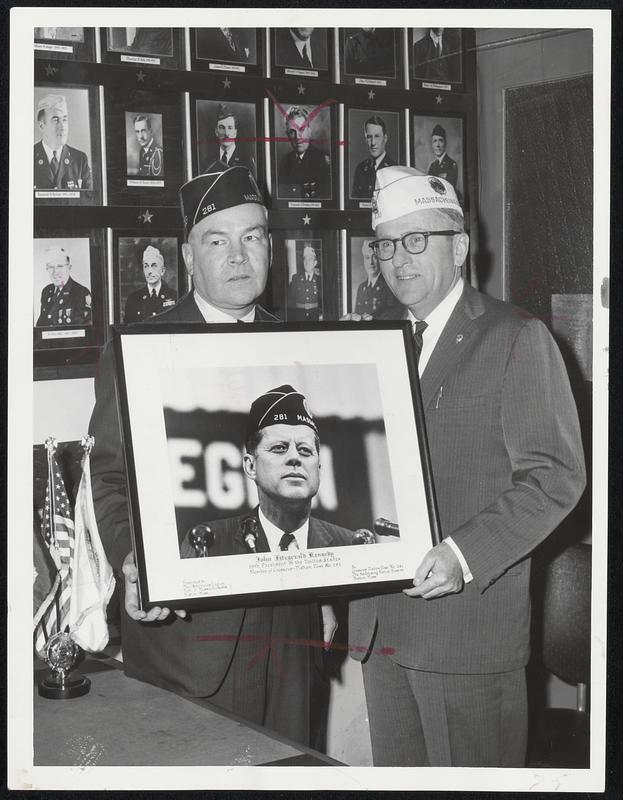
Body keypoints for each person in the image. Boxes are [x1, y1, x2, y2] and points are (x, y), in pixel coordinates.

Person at [88, 163, 342, 745]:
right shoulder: (139, 351)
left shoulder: (302, 349)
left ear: (270, 250)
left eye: (251, 237)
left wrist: (327, 586)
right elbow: (108, 480)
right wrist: (137, 561)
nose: (237, 256)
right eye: (217, 240)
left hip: (289, 640)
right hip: (186, 641)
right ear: (187, 257)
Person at [347, 166, 586, 767]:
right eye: (386, 244)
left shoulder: (516, 337)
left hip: (468, 636)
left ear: (459, 247)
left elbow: (556, 476)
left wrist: (461, 555)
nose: (399, 259)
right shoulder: (373, 345)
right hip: (382, 631)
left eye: (416, 239)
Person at [34, 94, 91, 191]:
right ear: (41, 126)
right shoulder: (27, 158)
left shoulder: (80, 160)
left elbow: (90, 200)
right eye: (55, 120)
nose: (62, 126)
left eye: (64, 120)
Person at [278, 105, 331, 200]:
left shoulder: (323, 161)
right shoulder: (285, 162)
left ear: (309, 131)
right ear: (287, 135)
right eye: (292, 132)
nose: (298, 137)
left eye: (301, 130)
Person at [36, 244, 92, 327]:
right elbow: (40, 326)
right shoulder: (46, 291)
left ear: (69, 268)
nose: (55, 272)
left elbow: (83, 330)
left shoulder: (81, 292)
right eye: (51, 267)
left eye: (60, 266)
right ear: (47, 269)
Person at [123, 245, 177, 323]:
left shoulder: (174, 296)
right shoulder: (133, 299)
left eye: (154, 266)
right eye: (146, 266)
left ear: (162, 271)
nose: (149, 271)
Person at [351, 115, 396, 200]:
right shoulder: (360, 168)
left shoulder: (394, 169)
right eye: (369, 137)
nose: (373, 143)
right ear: (365, 139)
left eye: (377, 136)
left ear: (385, 138)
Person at [353, 239, 397, 318]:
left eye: (375, 257)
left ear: (380, 259)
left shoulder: (389, 285)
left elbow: (395, 316)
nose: (370, 262)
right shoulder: (361, 288)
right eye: (367, 257)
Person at [210, 104, 256, 174]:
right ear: (216, 132)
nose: (226, 133)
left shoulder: (247, 161)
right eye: (222, 128)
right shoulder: (208, 161)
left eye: (230, 128)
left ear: (235, 132)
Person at [287, 244, 320, 321]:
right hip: (299, 317)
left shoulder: (319, 280)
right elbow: (291, 302)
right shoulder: (296, 278)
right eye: (305, 259)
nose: (307, 262)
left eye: (310, 259)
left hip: (315, 317)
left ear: (315, 263)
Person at [427, 124, 458, 190]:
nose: (437, 145)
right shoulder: (432, 166)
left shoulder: (451, 164)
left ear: (445, 143)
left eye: (440, 140)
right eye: (435, 141)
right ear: (432, 145)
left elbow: (448, 188)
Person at [131, 114, 164, 178]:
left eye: (143, 131)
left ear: (150, 131)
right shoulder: (142, 151)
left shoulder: (159, 153)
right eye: (137, 132)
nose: (140, 136)